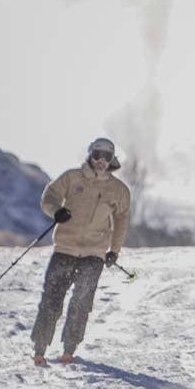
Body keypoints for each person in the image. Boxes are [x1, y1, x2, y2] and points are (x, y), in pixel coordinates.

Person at [31, 138, 131, 366]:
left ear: (112, 160)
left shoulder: (119, 190)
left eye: (107, 156)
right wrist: (56, 211)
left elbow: (122, 220)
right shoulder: (71, 177)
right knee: (51, 297)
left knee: (82, 301)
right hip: (65, 247)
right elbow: (49, 196)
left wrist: (113, 250)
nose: (101, 161)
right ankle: (39, 347)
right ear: (90, 155)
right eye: (97, 155)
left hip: (94, 253)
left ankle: (69, 349)